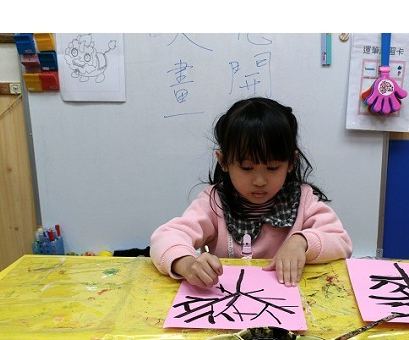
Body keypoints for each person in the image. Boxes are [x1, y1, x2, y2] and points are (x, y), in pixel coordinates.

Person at [150, 97, 352, 288]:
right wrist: (186, 264)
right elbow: (166, 236)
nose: (259, 181)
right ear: (223, 161)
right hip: (225, 299)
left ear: (291, 162)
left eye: (272, 168)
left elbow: (341, 241)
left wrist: (302, 242)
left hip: (287, 298)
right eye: (247, 168)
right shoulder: (214, 201)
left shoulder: (303, 200)